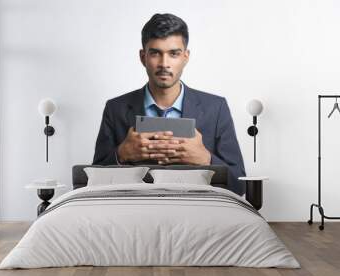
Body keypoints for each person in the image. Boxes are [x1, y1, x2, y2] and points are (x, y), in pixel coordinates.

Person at [93, 13, 246, 195]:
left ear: (185, 57)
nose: (164, 64)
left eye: (174, 54)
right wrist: (121, 154)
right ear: (143, 57)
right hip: (136, 211)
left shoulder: (216, 108)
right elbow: (91, 182)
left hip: (196, 212)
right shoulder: (115, 108)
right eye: (155, 53)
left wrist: (205, 158)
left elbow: (240, 184)